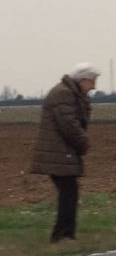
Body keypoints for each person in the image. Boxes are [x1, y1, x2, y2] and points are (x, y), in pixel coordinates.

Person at [29, 63, 98, 243]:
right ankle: (62, 234)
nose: (94, 86)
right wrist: (84, 143)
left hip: (62, 152)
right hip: (59, 152)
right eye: (92, 81)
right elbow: (69, 125)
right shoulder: (64, 94)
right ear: (82, 79)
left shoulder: (72, 94)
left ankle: (65, 233)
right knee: (69, 192)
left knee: (69, 192)